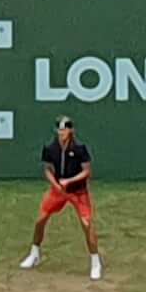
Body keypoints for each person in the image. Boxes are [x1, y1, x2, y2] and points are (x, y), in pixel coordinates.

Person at [22, 116, 101, 280]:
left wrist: (69, 181)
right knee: (40, 219)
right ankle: (34, 253)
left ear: (71, 131)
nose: (61, 133)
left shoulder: (80, 149)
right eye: (59, 130)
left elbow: (87, 171)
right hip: (58, 191)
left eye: (64, 130)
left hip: (78, 192)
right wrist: (56, 184)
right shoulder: (51, 149)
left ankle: (95, 262)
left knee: (87, 224)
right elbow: (48, 170)